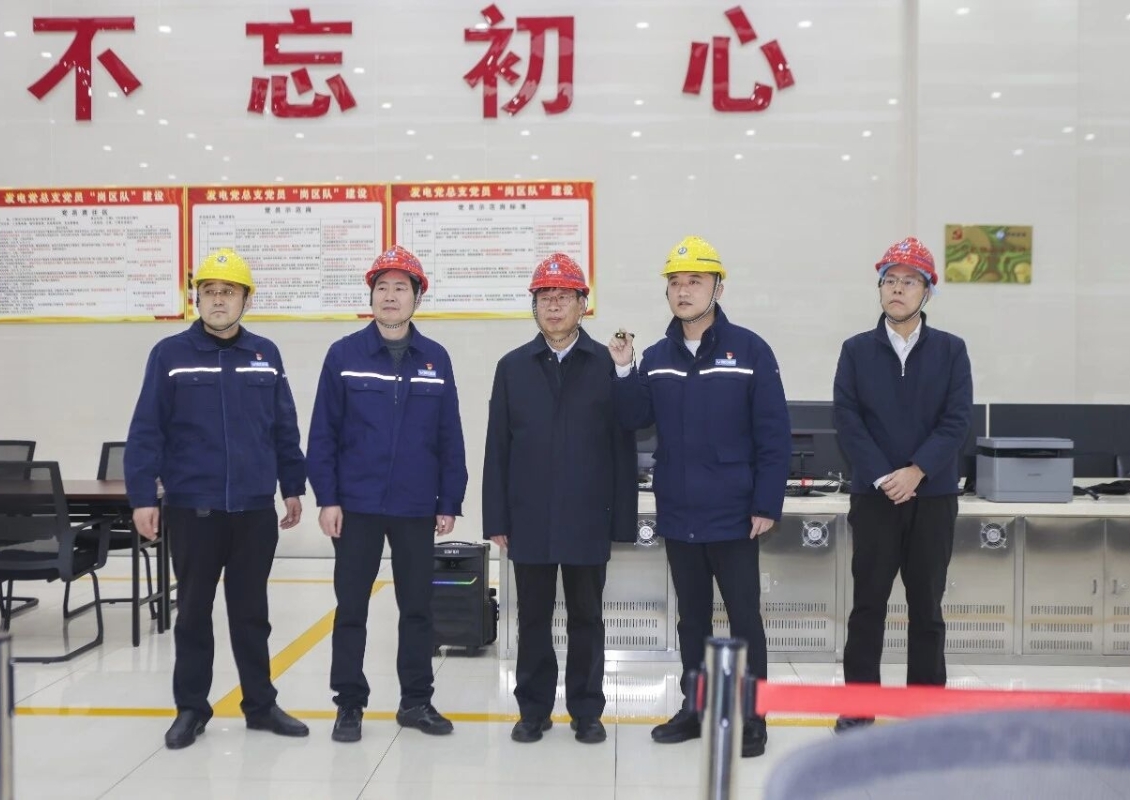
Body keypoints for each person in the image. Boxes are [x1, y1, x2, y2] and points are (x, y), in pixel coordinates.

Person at [607, 235, 792, 758]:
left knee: (744, 617)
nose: (683, 291)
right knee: (691, 618)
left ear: (718, 288)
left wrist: (766, 503)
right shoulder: (656, 357)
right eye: (675, 282)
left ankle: (752, 715)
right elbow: (633, 418)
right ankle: (695, 707)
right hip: (680, 509)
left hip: (735, 513)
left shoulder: (750, 351)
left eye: (695, 281)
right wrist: (622, 368)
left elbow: (773, 433)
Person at [125, 248, 309, 750]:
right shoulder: (170, 354)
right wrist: (142, 496)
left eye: (229, 291)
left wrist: (293, 486)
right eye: (209, 291)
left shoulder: (265, 354)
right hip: (193, 508)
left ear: (247, 300)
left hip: (253, 509)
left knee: (251, 614)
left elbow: (284, 426)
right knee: (192, 613)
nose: (219, 300)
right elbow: (146, 430)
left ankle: (261, 705)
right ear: (197, 299)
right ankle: (191, 708)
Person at [306, 245, 468, 743]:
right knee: (351, 607)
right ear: (371, 296)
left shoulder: (435, 359)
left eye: (401, 287)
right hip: (355, 505)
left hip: (415, 505)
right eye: (382, 287)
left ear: (417, 297)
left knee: (417, 608)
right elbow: (323, 434)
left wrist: (449, 499)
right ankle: (349, 703)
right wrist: (327, 498)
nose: (391, 296)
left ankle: (416, 701)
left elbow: (449, 435)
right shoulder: (344, 355)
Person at [482, 253, 638, 745]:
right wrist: (496, 517)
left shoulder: (606, 364)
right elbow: (497, 447)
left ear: (582, 305)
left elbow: (625, 442)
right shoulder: (512, 367)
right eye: (544, 298)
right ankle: (533, 710)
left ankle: (587, 710)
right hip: (529, 516)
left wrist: (622, 520)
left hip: (588, 515)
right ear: (534, 307)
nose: (553, 306)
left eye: (563, 297)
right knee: (532, 617)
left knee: (587, 618)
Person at [832, 236, 972, 732]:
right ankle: (858, 708)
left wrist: (917, 471)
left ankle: (925, 714)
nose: (897, 289)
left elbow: (956, 420)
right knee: (868, 605)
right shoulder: (856, 351)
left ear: (927, 291)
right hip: (874, 498)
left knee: (927, 608)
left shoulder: (951, 351)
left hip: (933, 497)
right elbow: (848, 420)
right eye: (889, 281)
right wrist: (884, 476)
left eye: (909, 282)